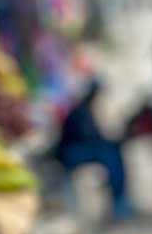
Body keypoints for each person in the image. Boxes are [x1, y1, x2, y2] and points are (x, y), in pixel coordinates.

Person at [52, 78, 131, 216]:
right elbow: (88, 136)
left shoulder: (85, 109)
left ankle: (119, 199)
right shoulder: (81, 111)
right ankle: (118, 201)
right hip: (71, 154)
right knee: (110, 155)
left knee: (112, 152)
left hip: (78, 150)